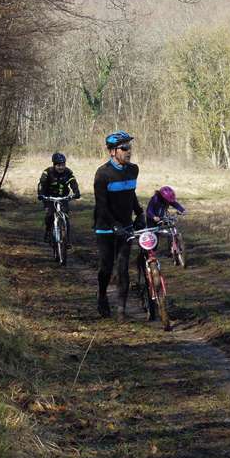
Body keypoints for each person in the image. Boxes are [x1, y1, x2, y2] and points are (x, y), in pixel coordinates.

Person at [93, 130, 145, 320]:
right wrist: (114, 225)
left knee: (122, 268)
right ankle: (102, 296)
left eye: (129, 147)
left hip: (126, 226)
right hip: (105, 226)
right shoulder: (102, 174)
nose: (128, 151)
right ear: (112, 151)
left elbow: (130, 194)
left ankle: (121, 310)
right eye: (124, 148)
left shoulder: (133, 170)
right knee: (106, 268)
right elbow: (101, 205)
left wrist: (139, 213)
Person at [37, 152, 80, 245]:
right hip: (49, 197)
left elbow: (73, 183)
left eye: (63, 165)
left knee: (66, 217)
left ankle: (67, 240)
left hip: (63, 197)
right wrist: (41, 194)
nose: (61, 167)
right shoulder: (47, 172)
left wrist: (76, 192)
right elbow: (41, 184)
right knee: (49, 215)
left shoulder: (68, 172)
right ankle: (48, 231)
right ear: (54, 165)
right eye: (59, 165)